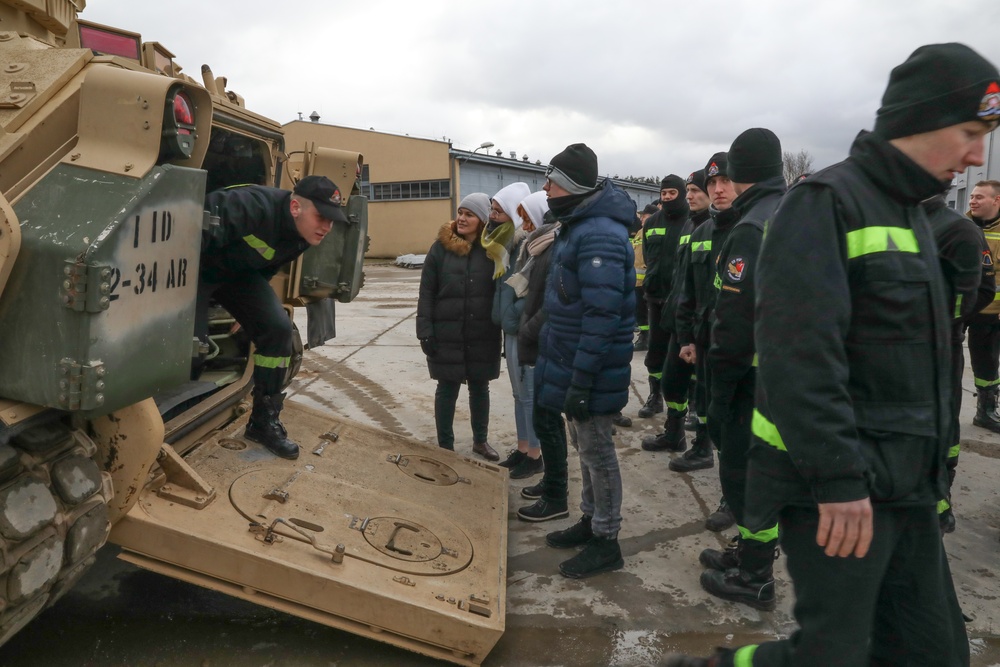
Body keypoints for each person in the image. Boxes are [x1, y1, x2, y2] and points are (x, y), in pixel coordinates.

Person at [670, 42, 999, 667]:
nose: (977, 153)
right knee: (832, 656)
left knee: (935, 654)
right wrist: (840, 479)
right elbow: (798, 354)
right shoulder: (826, 203)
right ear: (919, 121)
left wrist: (934, 482)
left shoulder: (913, 217)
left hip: (909, 489)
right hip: (843, 486)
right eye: (968, 131)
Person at [534, 143, 636, 578]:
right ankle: (590, 519)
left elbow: (602, 314)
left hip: (591, 367)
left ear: (571, 186)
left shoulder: (598, 234)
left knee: (598, 452)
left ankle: (606, 540)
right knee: (584, 446)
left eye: (552, 181)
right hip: (575, 360)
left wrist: (581, 380)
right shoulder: (578, 225)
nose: (546, 188)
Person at [198, 175, 349, 460]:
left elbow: (269, 263)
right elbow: (185, 237)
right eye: (321, 217)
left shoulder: (304, 235)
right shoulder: (247, 205)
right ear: (295, 207)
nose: (327, 227)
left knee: (278, 329)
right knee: (193, 349)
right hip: (193, 268)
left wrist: (250, 309)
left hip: (237, 276)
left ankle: (263, 422)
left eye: (332, 220)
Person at [698, 128, 787, 612]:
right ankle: (750, 557)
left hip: (749, 380)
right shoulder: (787, 211)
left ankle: (754, 576)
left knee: (744, 475)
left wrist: (717, 393)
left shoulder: (751, 227)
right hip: (779, 374)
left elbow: (732, 325)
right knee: (761, 473)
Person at [674, 153, 739, 533]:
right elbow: (687, 291)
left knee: (737, 428)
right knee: (714, 417)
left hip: (744, 352)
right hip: (705, 344)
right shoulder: (701, 234)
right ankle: (729, 489)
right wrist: (685, 337)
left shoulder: (751, 230)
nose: (718, 190)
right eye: (712, 183)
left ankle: (737, 499)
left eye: (725, 182)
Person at [926, 194, 994, 533]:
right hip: (887, 348)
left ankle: (940, 500)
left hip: (940, 347)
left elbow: (983, 289)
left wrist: (945, 318)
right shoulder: (886, 219)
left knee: (943, 424)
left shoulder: (959, 229)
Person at [416, 193, 502, 461]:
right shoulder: (440, 248)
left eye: (469, 214)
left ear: (483, 219)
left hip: (482, 332)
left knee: (480, 387)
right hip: (447, 331)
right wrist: (425, 330)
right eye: (460, 213)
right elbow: (426, 293)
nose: (462, 219)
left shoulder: (493, 249)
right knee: (447, 387)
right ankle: (446, 446)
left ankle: (480, 441)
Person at [642, 169, 711, 459]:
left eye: (696, 191)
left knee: (703, 387)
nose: (690, 196)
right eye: (690, 190)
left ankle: (704, 446)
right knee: (672, 379)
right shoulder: (689, 227)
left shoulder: (711, 226)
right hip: (675, 312)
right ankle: (674, 433)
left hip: (702, 320)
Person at [489, 182, 544, 479]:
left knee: (529, 394)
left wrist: (512, 314)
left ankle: (535, 454)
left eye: (499, 210)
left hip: (523, 328)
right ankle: (523, 448)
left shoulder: (531, 246)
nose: (493, 216)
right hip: (510, 328)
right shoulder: (507, 245)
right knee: (518, 394)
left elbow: (533, 293)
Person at [636, 176, 690, 420]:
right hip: (656, 298)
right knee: (656, 352)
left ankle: (689, 403)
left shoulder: (694, 221)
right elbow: (647, 255)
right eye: (664, 193)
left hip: (683, 301)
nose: (667, 197)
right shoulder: (652, 223)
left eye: (672, 193)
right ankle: (654, 396)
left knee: (684, 354)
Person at [966, 179, 1000, 432]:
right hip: (957, 309)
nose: (972, 200)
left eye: (979, 197)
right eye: (972, 196)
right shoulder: (960, 226)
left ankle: (985, 411)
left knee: (986, 363)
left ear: (996, 201)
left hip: (990, 313)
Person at [633, 202, 660, 352]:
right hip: (636, 281)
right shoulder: (639, 232)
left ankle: (647, 337)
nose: (642, 218)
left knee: (647, 312)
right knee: (640, 312)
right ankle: (643, 336)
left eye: (645, 216)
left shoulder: (652, 231)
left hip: (646, 280)